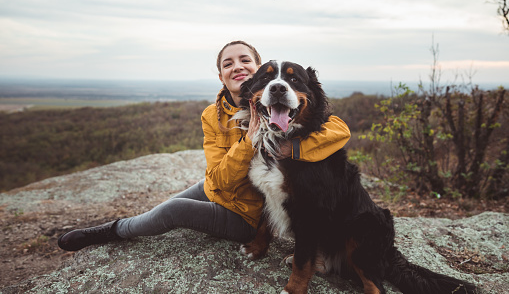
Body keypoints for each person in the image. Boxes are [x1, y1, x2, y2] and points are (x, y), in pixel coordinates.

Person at [57, 40, 351, 251]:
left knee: (173, 211)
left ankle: (111, 232)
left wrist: (295, 150)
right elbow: (220, 179)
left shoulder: (280, 103)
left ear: (259, 69)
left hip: (250, 213)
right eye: (228, 63)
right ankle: (123, 226)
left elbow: (337, 128)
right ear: (220, 74)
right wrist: (249, 141)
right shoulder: (214, 114)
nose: (237, 67)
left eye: (245, 60)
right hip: (221, 188)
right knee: (167, 205)